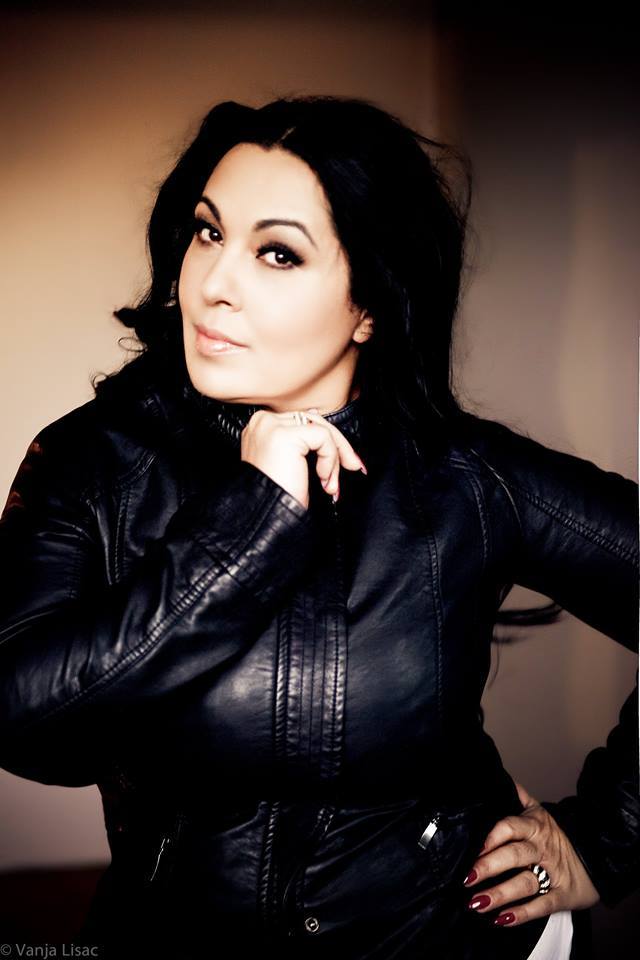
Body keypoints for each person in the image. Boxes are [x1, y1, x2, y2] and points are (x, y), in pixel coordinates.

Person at [0, 95, 637, 960]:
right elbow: (25, 724)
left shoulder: (469, 477)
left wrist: (605, 839)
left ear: (370, 304)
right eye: (208, 232)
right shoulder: (94, 461)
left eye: (277, 253)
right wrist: (248, 525)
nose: (212, 284)